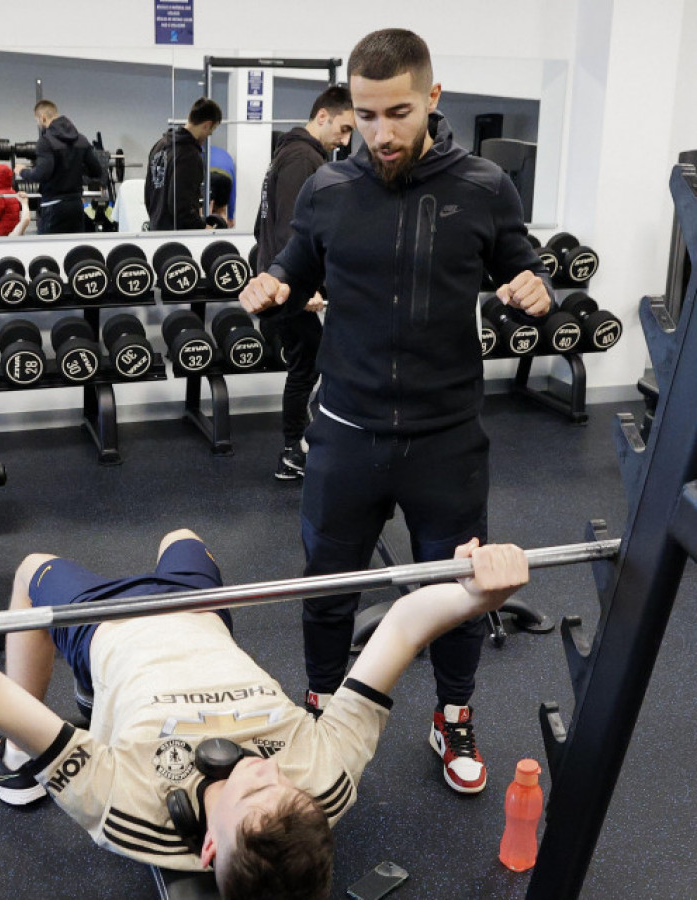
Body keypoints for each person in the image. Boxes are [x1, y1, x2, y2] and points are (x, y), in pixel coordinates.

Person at [239, 28, 553, 794]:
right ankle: (318, 708)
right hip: (346, 429)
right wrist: (271, 285)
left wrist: (534, 289)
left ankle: (451, 714)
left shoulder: (483, 186)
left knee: (462, 589)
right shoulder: (327, 187)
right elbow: (294, 262)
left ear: (434, 100)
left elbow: (522, 265)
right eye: (367, 115)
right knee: (326, 584)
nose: (380, 133)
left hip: (445, 437)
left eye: (399, 114)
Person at [0, 528, 528, 900]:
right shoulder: (327, 777)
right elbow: (403, 628)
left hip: (109, 623)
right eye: (281, 780)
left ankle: (11, 773)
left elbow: (6, 705)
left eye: (250, 788)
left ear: (205, 848)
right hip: (203, 610)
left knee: (32, 568)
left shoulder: (128, 808)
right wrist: (475, 594)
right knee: (184, 536)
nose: (263, 768)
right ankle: (95, 699)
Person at [253, 84, 355, 480]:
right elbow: (288, 231)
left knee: (313, 360)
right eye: (343, 129)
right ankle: (292, 451)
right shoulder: (301, 159)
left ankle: (307, 442)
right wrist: (301, 285)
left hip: (281, 281)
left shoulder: (290, 155)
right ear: (323, 116)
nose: (345, 141)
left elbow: (261, 227)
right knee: (307, 363)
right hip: (288, 287)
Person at [14, 99, 104, 235]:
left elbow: (41, 174)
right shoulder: (81, 140)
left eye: (37, 121)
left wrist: (22, 171)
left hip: (53, 207)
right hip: (76, 207)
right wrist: (75, 170)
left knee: (49, 252)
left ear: (43, 118)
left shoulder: (46, 142)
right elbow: (97, 171)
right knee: (75, 252)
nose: (38, 124)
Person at [145, 97, 223, 231]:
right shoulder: (189, 155)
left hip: (155, 231)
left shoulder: (159, 146)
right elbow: (180, 206)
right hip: (178, 238)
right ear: (207, 124)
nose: (209, 134)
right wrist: (203, 227)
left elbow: (148, 194)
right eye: (211, 130)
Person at [208, 144, 236, 227]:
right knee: (221, 211)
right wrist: (230, 217)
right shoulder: (226, 155)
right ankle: (224, 234)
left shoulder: (199, 150)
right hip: (226, 177)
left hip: (210, 174)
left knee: (205, 212)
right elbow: (233, 190)